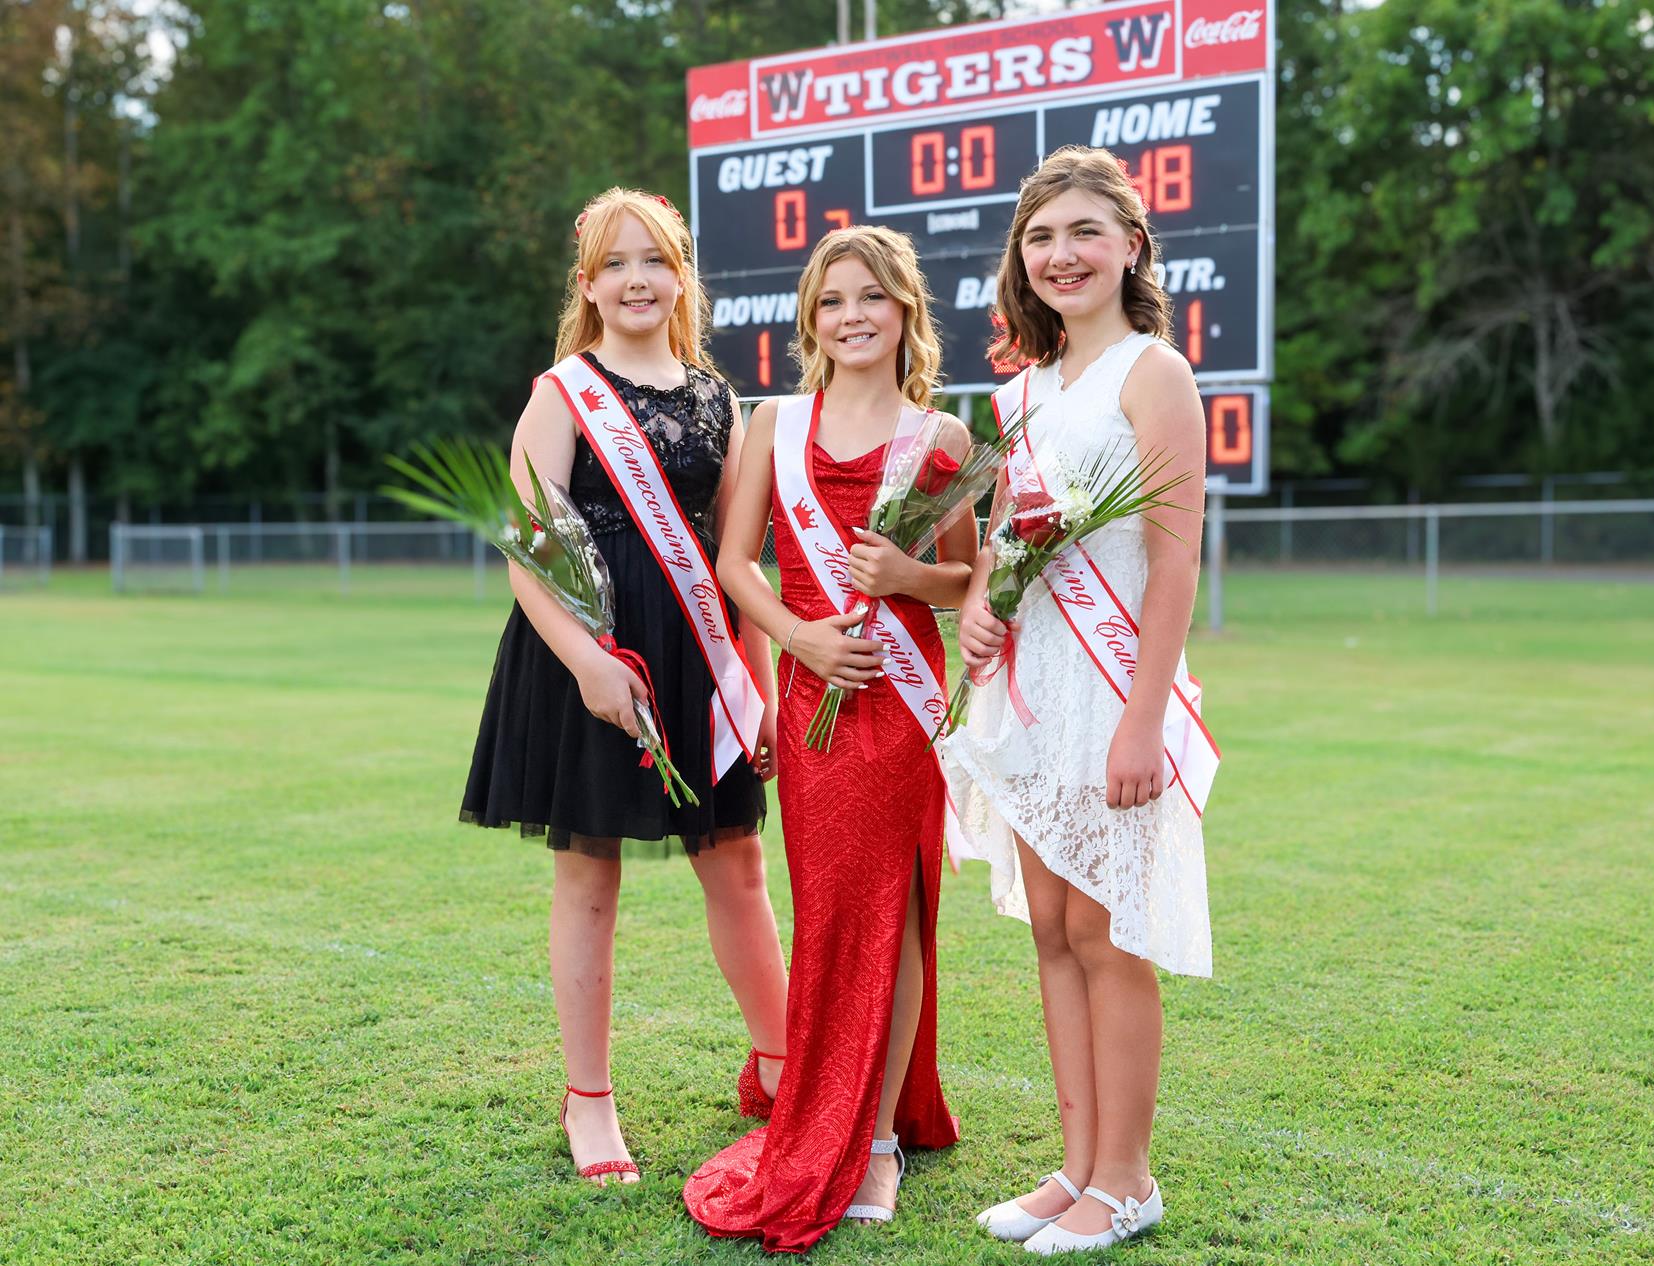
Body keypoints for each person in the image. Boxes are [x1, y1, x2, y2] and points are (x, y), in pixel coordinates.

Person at [461, 187, 788, 1185]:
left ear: (681, 276)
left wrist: (760, 684)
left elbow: (738, 558)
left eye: (655, 260)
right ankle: (588, 1101)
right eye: (615, 263)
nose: (637, 278)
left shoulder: (715, 398)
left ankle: (782, 1063)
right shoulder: (564, 394)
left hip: (698, 657)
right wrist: (591, 664)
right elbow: (526, 554)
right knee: (588, 879)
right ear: (588, 285)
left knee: (735, 865)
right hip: (589, 657)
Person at [941, 146, 1219, 1254]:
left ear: (1130, 245)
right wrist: (974, 604)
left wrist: (1145, 715)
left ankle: (1128, 1180)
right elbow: (1010, 539)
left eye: (1084, 233)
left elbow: (1177, 557)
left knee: (1109, 936)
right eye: (1041, 237)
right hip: (1035, 685)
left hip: (1113, 691)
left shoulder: (1155, 374)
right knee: (1053, 928)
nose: (1061, 255)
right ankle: (1075, 1170)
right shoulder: (1022, 391)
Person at [684, 225, 970, 1251]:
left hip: (900, 703)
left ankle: (881, 1138)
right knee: (831, 913)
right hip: (812, 703)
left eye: (872, 298)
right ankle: (838, 1099)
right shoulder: (774, 420)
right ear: (812, 319)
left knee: (891, 911)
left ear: (905, 313)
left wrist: (907, 580)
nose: (853, 316)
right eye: (833, 300)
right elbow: (735, 564)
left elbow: (969, 582)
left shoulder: (942, 439)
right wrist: (798, 635)